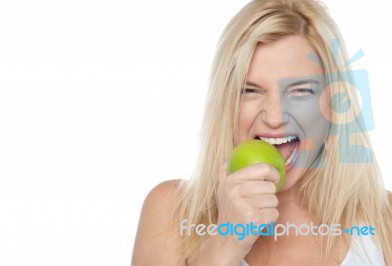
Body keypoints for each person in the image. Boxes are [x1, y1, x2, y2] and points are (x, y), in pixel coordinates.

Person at [132, 0, 392, 265]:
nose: (275, 117)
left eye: (300, 91)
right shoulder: (172, 212)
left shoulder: (385, 221)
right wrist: (225, 242)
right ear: (227, 103)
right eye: (251, 91)